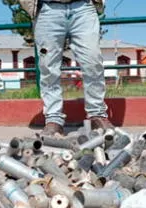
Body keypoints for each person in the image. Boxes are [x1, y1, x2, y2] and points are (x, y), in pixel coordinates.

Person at [20, 0, 113, 136]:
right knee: (48, 67)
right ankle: (53, 119)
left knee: (92, 61)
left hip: (83, 7)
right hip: (47, 9)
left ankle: (97, 115)